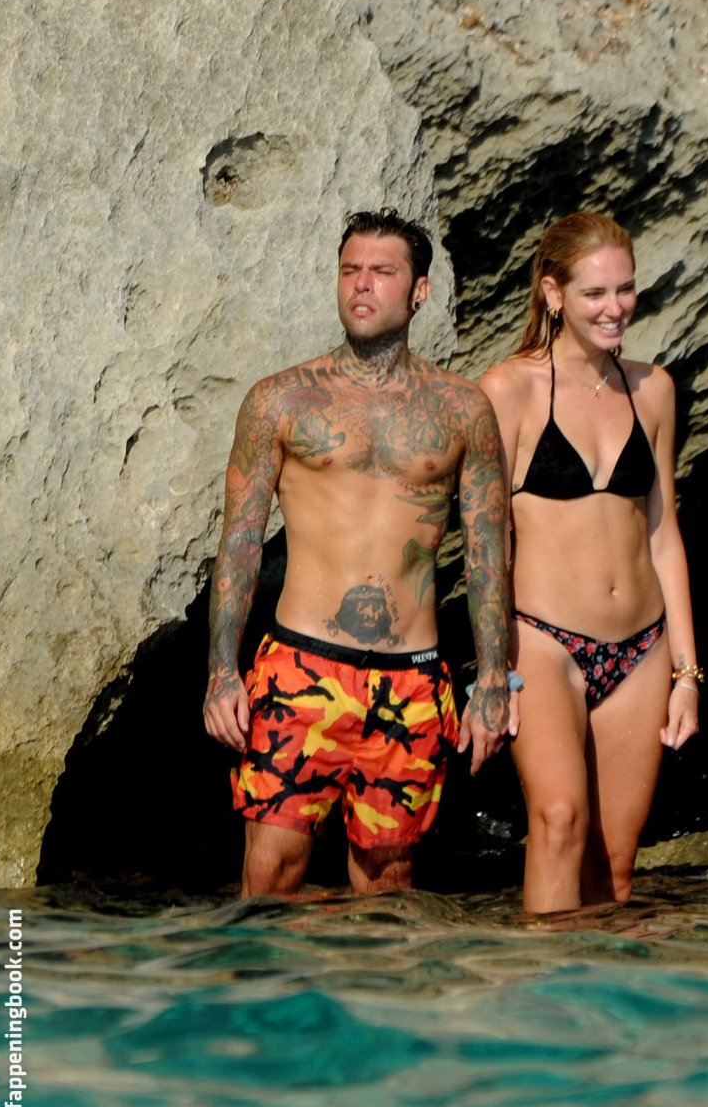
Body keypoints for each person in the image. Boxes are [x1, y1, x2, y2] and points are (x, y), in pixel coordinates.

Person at [204, 208, 513, 898]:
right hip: (298, 669)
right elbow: (240, 543)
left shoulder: (463, 410)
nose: (362, 285)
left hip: (411, 682)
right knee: (269, 875)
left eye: (382, 271)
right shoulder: (280, 400)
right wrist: (222, 670)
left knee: (388, 888)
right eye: (350, 271)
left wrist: (494, 680)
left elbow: (489, 552)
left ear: (420, 291)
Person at [479, 212, 699, 914]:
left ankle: (598, 985)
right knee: (558, 820)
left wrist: (687, 674)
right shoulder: (508, 389)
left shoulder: (653, 389)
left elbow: (663, 537)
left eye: (625, 290)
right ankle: (540, 977)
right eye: (596, 293)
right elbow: (488, 544)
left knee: (615, 869)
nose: (615, 308)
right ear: (553, 294)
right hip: (542, 644)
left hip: (641, 648)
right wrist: (492, 668)